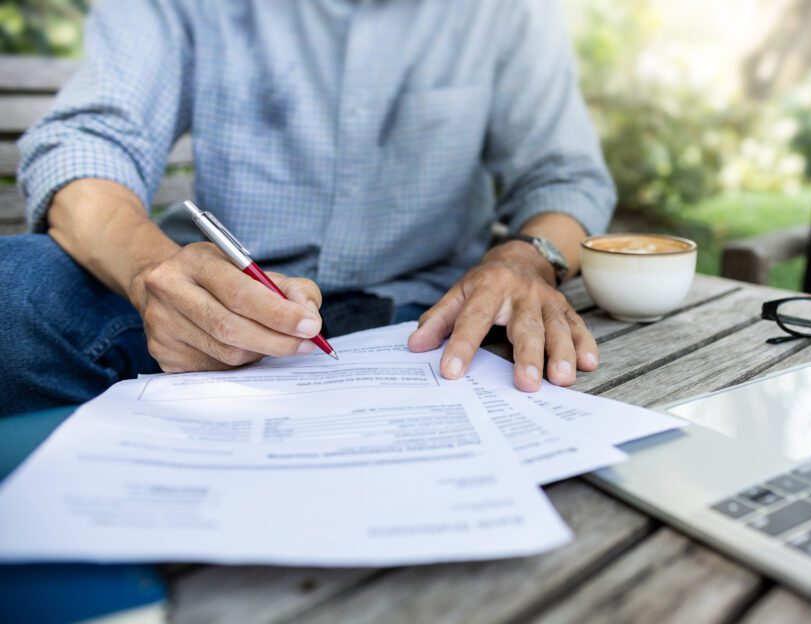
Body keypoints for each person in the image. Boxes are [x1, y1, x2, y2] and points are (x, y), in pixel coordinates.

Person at [0, 0, 615, 417]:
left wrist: (526, 259)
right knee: (14, 292)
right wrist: (148, 269)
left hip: (423, 321)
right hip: (200, 311)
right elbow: (88, 143)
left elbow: (563, 176)